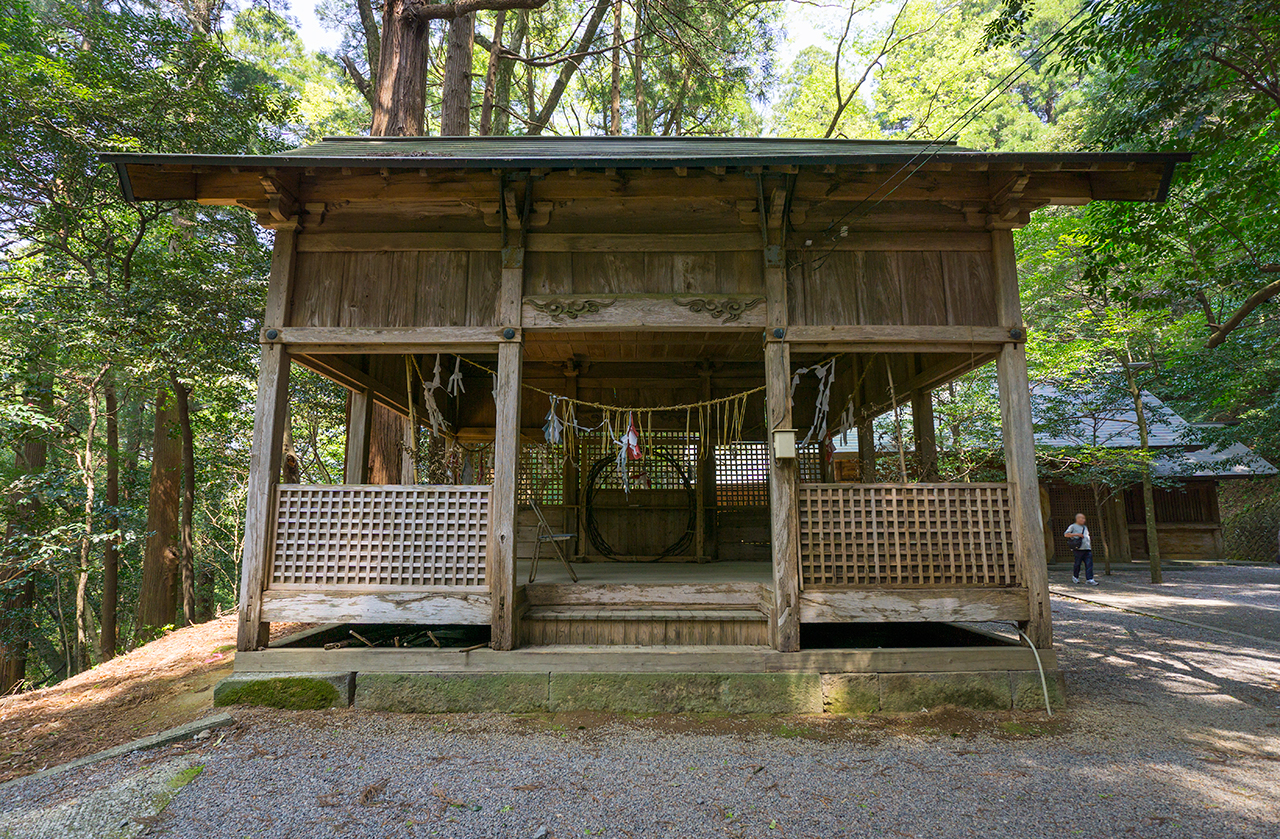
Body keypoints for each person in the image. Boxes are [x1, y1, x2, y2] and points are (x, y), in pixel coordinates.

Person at [1064, 513, 1097, 585]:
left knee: (1089, 564)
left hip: (1087, 548)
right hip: (1078, 549)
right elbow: (1066, 534)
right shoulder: (1072, 526)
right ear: (1077, 519)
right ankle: (1075, 577)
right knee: (1077, 564)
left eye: (1084, 518)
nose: (1083, 520)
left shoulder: (1085, 527)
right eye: (1081, 518)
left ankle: (1089, 579)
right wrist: (1076, 534)